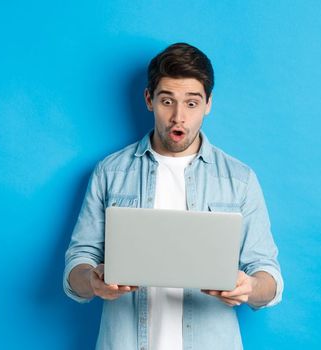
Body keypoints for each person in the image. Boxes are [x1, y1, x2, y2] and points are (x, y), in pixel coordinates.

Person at [63, 42, 283, 350]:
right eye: (167, 101)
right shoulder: (109, 172)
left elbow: (269, 279)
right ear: (149, 99)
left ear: (208, 104)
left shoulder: (240, 179)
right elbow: (77, 265)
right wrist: (93, 280)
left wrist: (250, 286)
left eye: (192, 103)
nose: (178, 117)